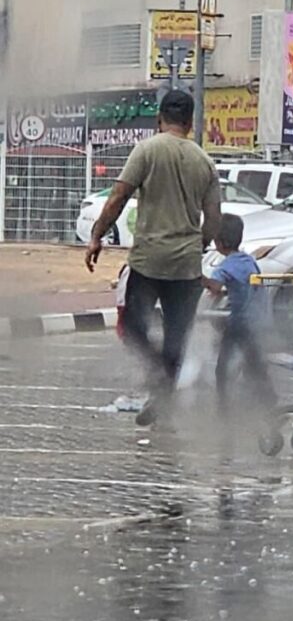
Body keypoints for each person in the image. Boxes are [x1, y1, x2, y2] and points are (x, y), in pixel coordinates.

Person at [85, 90, 222, 426]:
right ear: (190, 122)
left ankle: (158, 375)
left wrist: (97, 235)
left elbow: (118, 196)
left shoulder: (146, 150)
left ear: (160, 119)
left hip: (148, 260)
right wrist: (199, 245)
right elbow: (214, 219)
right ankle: (164, 393)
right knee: (177, 335)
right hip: (186, 266)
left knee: (133, 328)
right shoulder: (204, 162)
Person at [203, 214, 276, 411]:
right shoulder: (248, 260)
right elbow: (244, 284)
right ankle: (268, 401)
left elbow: (215, 287)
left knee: (223, 366)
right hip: (259, 319)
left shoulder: (225, 266)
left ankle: (223, 406)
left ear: (219, 243)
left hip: (240, 322)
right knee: (254, 362)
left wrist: (199, 277)